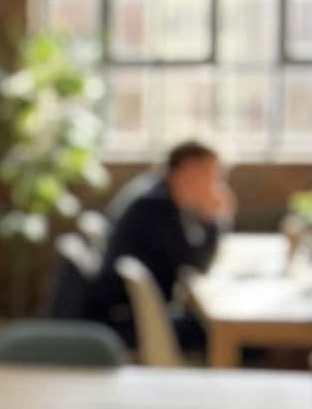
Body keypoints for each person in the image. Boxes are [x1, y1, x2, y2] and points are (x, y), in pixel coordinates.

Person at [83, 140, 233, 352]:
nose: (218, 185)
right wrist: (213, 218)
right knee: (230, 336)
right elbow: (200, 264)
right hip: (128, 322)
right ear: (189, 170)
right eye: (214, 175)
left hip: (134, 313)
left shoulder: (158, 193)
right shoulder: (155, 207)